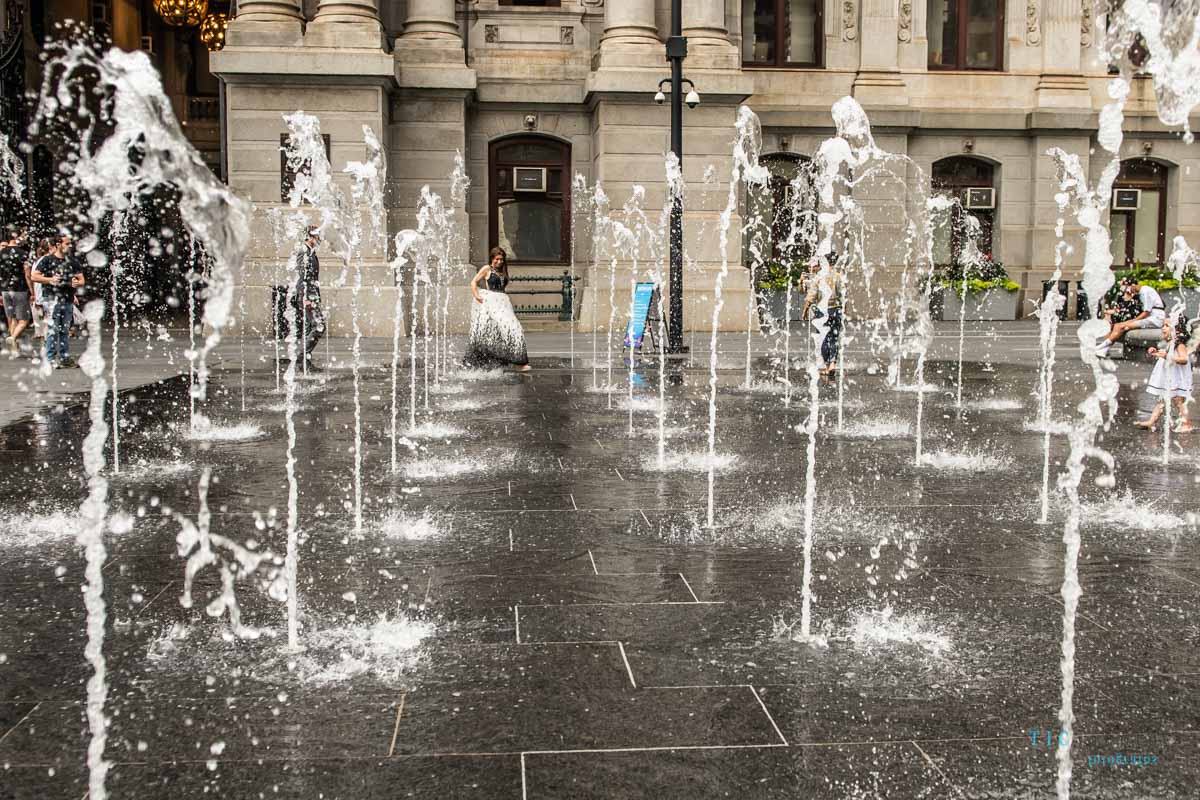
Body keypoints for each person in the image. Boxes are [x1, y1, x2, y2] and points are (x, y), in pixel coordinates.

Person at [466, 246, 530, 371]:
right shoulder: (486, 269)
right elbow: (473, 282)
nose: (499, 262)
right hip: (491, 302)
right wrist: (477, 296)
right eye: (497, 259)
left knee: (514, 328)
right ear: (492, 258)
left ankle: (518, 361)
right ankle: (483, 363)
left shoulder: (503, 270)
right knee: (490, 331)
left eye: (501, 259)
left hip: (503, 303)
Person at [31, 236, 85, 368]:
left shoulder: (72, 261)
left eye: (70, 243)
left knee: (64, 330)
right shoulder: (47, 260)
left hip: (67, 300)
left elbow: (82, 280)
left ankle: (64, 358)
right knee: (53, 330)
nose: (70, 246)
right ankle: (50, 359)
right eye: (67, 243)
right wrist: (50, 280)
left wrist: (77, 283)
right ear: (58, 244)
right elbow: (34, 276)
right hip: (51, 300)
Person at [1136, 315, 1193, 432]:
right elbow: (1166, 355)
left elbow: (1184, 359)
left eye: (1167, 326)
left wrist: (1167, 356)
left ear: (1178, 330)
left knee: (1178, 400)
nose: (1163, 328)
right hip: (1170, 376)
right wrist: (1156, 352)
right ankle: (1151, 422)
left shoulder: (1180, 345)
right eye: (1163, 325)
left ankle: (1186, 424)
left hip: (1177, 378)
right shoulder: (1171, 343)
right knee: (1162, 400)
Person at [1098, 276, 1165, 357]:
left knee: (1122, 326)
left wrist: (1134, 320)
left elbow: (1146, 312)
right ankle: (1104, 350)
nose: (1127, 290)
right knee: (1117, 325)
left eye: (1127, 287)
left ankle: (1101, 347)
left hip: (1155, 319)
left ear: (1133, 285)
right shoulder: (1141, 292)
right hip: (1150, 318)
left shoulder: (1145, 291)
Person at [800, 253, 845, 375]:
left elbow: (811, 296)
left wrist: (805, 311)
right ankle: (833, 364)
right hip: (836, 309)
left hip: (822, 311)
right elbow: (843, 294)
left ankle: (827, 366)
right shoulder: (838, 276)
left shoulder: (819, 277)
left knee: (824, 337)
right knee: (834, 338)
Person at [293, 227, 324, 367]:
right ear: (310, 237)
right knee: (319, 326)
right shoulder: (303, 251)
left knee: (310, 327)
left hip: (311, 295)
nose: (319, 239)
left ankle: (305, 361)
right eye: (317, 236)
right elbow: (303, 276)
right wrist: (305, 297)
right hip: (307, 296)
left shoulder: (310, 252)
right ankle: (302, 357)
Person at [0, 227, 34, 356]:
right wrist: (32, 291)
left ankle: (14, 349)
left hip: (5, 290)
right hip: (20, 289)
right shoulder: (23, 254)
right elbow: (27, 275)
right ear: (16, 237)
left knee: (12, 319)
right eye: (23, 236)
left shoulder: (1, 253)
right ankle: (13, 338)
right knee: (24, 320)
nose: (24, 238)